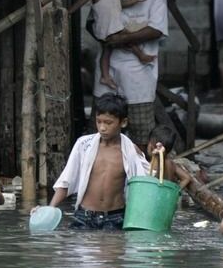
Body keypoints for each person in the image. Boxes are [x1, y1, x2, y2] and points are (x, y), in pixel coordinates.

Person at [48, 93, 149, 230]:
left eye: (108, 123)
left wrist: (157, 155)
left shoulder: (131, 151)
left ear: (123, 122)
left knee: (115, 250)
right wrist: (49, 209)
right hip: (84, 216)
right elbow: (67, 180)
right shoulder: (84, 145)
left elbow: (147, 182)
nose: (102, 128)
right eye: (99, 121)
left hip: (116, 217)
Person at [92, 0, 167, 147]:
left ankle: (137, 170)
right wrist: (107, 35)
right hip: (109, 68)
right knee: (101, 130)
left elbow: (156, 29)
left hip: (139, 73)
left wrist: (121, 38)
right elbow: (93, 21)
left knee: (141, 133)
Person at [73, 0, 154, 90]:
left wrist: (136, 0)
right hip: (104, 27)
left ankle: (105, 77)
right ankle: (141, 56)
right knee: (124, 39)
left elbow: (120, 3)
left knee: (109, 50)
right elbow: (82, 0)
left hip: (115, 24)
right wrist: (70, 11)